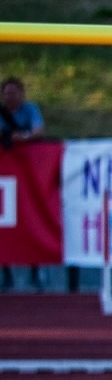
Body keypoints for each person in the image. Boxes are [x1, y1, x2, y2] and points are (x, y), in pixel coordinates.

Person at [0, 77, 45, 293]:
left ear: (22, 94)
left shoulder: (30, 109)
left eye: (14, 92)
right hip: (5, 179)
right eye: (7, 93)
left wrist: (23, 137)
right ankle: (6, 272)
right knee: (5, 225)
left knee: (33, 220)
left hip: (30, 177)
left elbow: (38, 131)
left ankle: (36, 270)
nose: (10, 96)